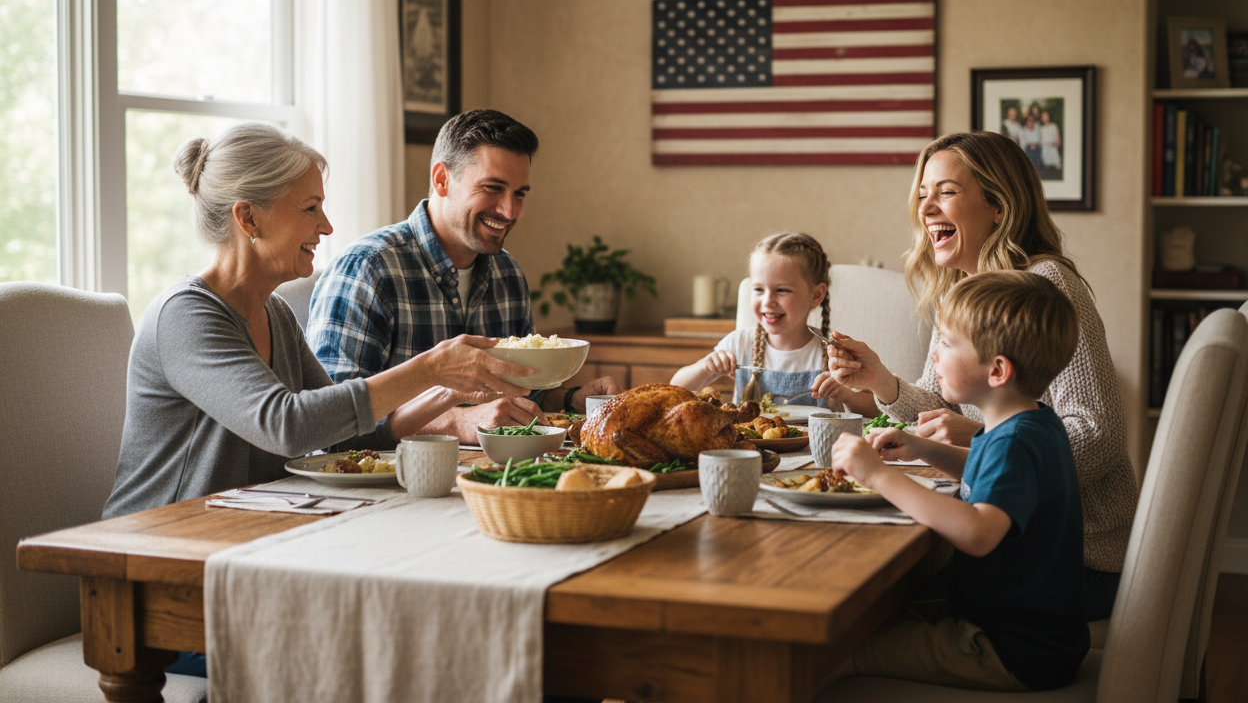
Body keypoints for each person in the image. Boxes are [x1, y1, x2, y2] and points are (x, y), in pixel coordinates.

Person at [103, 123, 532, 521]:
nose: (326, 226)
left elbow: (346, 438)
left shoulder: (276, 314)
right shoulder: (184, 315)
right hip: (161, 539)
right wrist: (429, 368)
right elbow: (286, 425)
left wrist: (444, 389)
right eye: (310, 208)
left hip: (248, 527)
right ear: (248, 218)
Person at [827, 131, 1137, 621]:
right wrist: (881, 381)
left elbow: (1098, 438)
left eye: (946, 192)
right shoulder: (964, 291)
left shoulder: (1047, 286)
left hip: (1075, 561)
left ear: (999, 205)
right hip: (1011, 542)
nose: (926, 209)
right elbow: (940, 405)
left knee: (866, 610)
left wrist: (981, 435)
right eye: (923, 194)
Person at [826, 270, 1088, 692]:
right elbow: (994, 479)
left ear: (998, 370)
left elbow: (978, 532)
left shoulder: (1015, 442)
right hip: (1025, 634)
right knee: (867, 618)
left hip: (1005, 648)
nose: (934, 355)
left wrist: (876, 476)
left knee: (838, 650)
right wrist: (924, 449)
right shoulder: (1032, 424)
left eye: (946, 343)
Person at [308, 109, 620, 442]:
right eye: (492, 188)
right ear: (442, 180)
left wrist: (570, 399)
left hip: (490, 480)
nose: (509, 211)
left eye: (519, 193)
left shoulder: (508, 274)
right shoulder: (367, 269)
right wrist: (454, 421)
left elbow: (517, 395)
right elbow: (328, 426)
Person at [670, 233, 864, 409]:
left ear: (816, 294)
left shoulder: (834, 353)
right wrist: (704, 367)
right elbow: (674, 391)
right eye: (759, 290)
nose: (767, 301)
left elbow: (875, 411)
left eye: (782, 290)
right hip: (751, 448)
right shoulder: (739, 344)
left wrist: (847, 396)